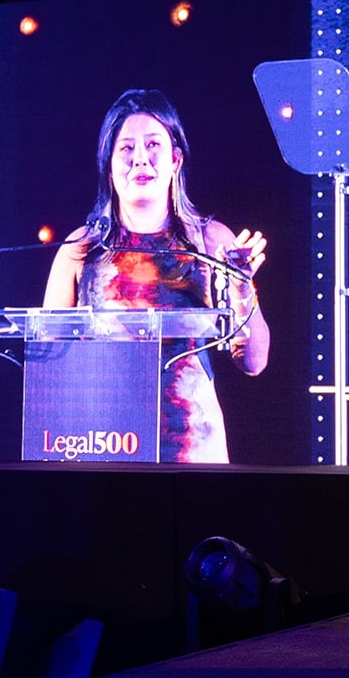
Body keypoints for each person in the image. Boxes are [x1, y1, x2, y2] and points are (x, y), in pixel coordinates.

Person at [44, 88, 270, 462]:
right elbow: (49, 368)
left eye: (153, 145)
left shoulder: (210, 242)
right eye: (126, 148)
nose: (140, 159)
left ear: (175, 159)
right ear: (109, 164)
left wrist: (241, 284)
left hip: (191, 449)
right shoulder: (80, 249)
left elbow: (254, 362)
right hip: (103, 446)